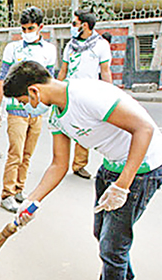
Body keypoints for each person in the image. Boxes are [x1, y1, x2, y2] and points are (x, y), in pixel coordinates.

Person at [4, 60, 162, 280]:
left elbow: (145, 129)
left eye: (23, 100)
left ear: (34, 92)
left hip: (142, 167)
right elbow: (58, 164)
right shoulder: (56, 115)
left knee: (113, 244)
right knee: (102, 232)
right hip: (112, 166)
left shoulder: (88, 95)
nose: (27, 107)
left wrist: (123, 185)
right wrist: (33, 200)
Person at [0, 6, 57, 213]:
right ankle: (7, 194)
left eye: (31, 28)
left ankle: (19, 188)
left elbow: (50, 81)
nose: (26, 31)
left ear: (40, 27)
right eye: (23, 28)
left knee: (28, 154)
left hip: (37, 110)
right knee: (15, 153)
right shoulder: (13, 49)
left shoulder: (49, 50)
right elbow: (2, 78)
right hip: (15, 108)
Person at [58, 9, 113, 180]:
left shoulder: (101, 45)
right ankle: (60, 162)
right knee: (64, 126)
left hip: (89, 93)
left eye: (74, 23)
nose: (72, 27)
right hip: (68, 91)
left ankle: (79, 164)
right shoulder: (70, 45)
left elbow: (105, 71)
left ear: (85, 25)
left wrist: (109, 93)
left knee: (84, 127)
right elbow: (63, 70)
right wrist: (55, 88)